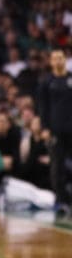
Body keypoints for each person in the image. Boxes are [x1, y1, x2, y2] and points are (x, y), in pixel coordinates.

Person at [37, 48, 72, 216]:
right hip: (55, 131)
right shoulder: (46, 81)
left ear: (65, 60)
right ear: (50, 62)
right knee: (57, 167)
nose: (58, 61)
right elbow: (43, 107)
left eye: (61, 58)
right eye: (55, 58)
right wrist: (45, 128)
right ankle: (62, 200)